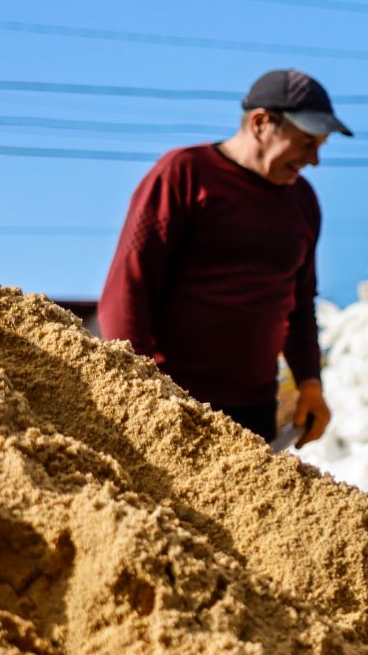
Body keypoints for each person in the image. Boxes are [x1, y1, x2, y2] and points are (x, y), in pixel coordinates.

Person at [99, 69, 347, 445]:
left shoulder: (303, 202)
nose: (314, 159)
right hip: (173, 399)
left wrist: (310, 381)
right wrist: (137, 384)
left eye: (320, 146)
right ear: (260, 123)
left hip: (254, 411)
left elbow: (299, 304)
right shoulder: (185, 174)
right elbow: (129, 286)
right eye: (305, 142)